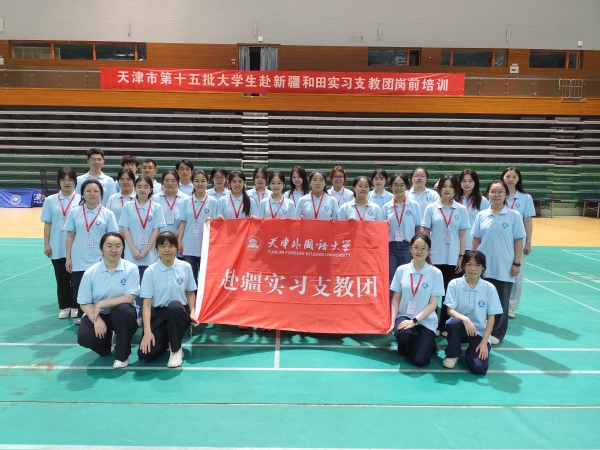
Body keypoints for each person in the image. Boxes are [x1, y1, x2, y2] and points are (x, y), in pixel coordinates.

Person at [472, 180, 526, 344]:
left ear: (505, 194)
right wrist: (473, 261)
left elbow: (518, 240)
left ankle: (497, 332)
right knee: (482, 298)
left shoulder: (514, 215)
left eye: (500, 192)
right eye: (493, 191)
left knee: (502, 300)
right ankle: (481, 328)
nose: (496, 195)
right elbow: (476, 239)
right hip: (483, 266)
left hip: (504, 266)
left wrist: (516, 263)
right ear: (488, 194)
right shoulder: (481, 215)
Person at [77, 232, 140, 369]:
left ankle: (123, 355)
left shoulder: (131, 268)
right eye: (109, 246)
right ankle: (106, 344)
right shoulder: (90, 273)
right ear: (101, 247)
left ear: (123, 248)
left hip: (121, 313)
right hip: (98, 314)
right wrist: (96, 319)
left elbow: (130, 298)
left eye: (118, 246)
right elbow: (84, 302)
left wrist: (101, 303)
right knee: (85, 338)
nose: (113, 250)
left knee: (126, 311)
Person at [138, 232, 198, 368]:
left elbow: (190, 293)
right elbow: (146, 304)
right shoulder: (150, 271)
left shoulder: (185, 267)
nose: (167, 250)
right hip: (159, 313)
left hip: (179, 312)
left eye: (171, 246)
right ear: (156, 249)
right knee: (145, 354)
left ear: (176, 247)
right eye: (162, 246)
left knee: (174, 306)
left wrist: (193, 312)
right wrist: (147, 331)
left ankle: (176, 350)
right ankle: (167, 339)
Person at [65, 179, 119, 324]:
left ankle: (102, 315)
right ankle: (83, 314)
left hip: (100, 259)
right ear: (82, 193)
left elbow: (113, 237)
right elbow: (70, 236)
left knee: (100, 289)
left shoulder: (108, 214)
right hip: (79, 258)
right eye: (88, 191)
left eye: (96, 191)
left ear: (101, 194)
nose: (92, 194)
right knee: (79, 288)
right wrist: (68, 257)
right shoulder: (74, 212)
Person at [421, 174, 470, 334]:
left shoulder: (461, 209)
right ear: (439, 188)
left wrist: (461, 257)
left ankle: (444, 326)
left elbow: (462, 235)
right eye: (444, 186)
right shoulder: (431, 208)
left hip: (453, 258)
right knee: (432, 293)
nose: (447, 189)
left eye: (451, 186)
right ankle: (431, 325)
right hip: (434, 257)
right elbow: (425, 233)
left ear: (456, 189)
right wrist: (425, 255)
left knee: (449, 294)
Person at [442, 250, 503, 374]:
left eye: (477, 265)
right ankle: (453, 354)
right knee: (453, 323)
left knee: (479, 368)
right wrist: (465, 319)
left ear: (483, 268)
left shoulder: (489, 288)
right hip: (460, 328)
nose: (473, 269)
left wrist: (484, 342)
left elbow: (491, 317)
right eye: (469, 264)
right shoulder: (454, 284)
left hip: (479, 331)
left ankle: (472, 351)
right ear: (463, 265)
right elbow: (449, 310)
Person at [388, 234, 444, 367]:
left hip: (426, 320)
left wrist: (414, 321)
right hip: (405, 315)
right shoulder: (401, 270)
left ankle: (429, 343)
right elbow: (396, 299)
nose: (419, 251)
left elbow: (433, 304)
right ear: (410, 249)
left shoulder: (435, 273)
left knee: (420, 360)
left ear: (429, 251)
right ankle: (414, 342)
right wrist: (392, 322)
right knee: (403, 335)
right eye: (416, 247)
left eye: (423, 248)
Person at [119, 175, 166, 321]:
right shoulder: (128, 206)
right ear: (135, 188)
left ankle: (146, 313)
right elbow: (125, 229)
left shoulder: (156, 207)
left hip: (150, 254)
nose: (142, 189)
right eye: (139, 186)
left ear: (151, 189)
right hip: (131, 253)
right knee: (133, 284)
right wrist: (133, 248)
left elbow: (157, 231)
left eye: (146, 187)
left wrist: (146, 250)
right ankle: (135, 313)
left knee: (148, 284)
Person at [41, 167, 81, 319]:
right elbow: (48, 223)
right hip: (57, 246)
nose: (67, 183)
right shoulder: (50, 200)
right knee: (61, 279)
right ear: (58, 182)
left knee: (76, 279)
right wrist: (46, 244)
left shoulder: (81, 199)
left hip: (76, 246)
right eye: (63, 180)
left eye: (70, 180)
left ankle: (76, 305)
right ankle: (65, 306)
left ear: (75, 181)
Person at [502, 167, 535, 318]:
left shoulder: (525, 198)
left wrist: (528, 242)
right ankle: (497, 304)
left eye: (514, 177)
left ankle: (511, 306)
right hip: (500, 240)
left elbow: (528, 220)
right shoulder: (497, 194)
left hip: (518, 242)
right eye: (508, 176)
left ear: (518, 179)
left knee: (516, 274)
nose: (510, 179)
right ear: (503, 178)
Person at [381, 174, 421, 296]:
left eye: (402, 185)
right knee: (392, 278)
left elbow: (418, 227)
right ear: (390, 187)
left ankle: (405, 305)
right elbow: (381, 229)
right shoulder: (386, 207)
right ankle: (392, 306)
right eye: (395, 185)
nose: (398, 188)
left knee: (407, 278)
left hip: (407, 246)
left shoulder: (414, 205)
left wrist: (417, 247)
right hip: (390, 247)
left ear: (407, 187)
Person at [177, 169, 219, 284]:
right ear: (192, 182)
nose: (200, 184)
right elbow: (183, 223)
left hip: (205, 245)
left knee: (205, 278)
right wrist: (179, 241)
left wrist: (213, 220)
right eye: (196, 181)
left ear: (207, 182)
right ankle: (191, 296)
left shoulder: (213, 202)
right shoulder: (186, 201)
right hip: (188, 245)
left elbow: (217, 224)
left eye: (203, 181)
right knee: (190, 278)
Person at [458, 169, 489, 251]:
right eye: (464, 181)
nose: (467, 184)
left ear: (475, 182)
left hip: (473, 245)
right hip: (455, 244)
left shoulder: (482, 201)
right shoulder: (454, 199)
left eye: (470, 181)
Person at [152, 170, 188, 235]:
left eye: (173, 181)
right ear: (162, 182)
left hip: (179, 238)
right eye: (167, 180)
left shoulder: (185, 199)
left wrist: (173, 237)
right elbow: (153, 221)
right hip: (159, 238)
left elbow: (185, 222)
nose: (170, 183)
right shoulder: (155, 198)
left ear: (178, 182)